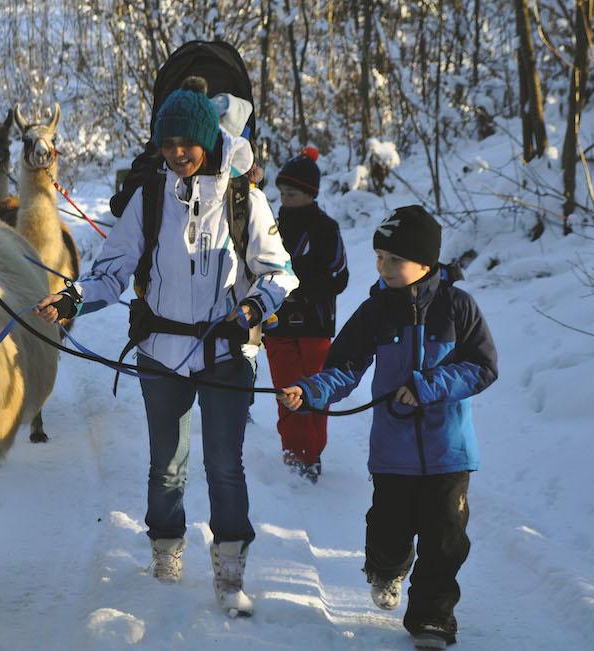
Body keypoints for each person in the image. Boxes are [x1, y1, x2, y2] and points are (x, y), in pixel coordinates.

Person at [36, 76, 298, 617]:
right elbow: (111, 273)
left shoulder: (243, 198)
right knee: (167, 465)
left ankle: (230, 567)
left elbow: (280, 273)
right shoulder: (150, 196)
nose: (177, 154)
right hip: (160, 350)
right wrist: (71, 300)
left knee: (225, 465)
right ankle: (166, 550)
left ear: (207, 140)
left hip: (227, 354)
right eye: (167, 144)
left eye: (187, 144)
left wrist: (251, 309)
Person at [277, 205, 497, 649]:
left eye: (393, 259)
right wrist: (310, 392)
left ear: (425, 262)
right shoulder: (376, 311)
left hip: (448, 452)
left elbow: (482, 368)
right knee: (388, 533)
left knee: (445, 540)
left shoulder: (458, 307)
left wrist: (430, 386)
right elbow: (343, 368)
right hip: (392, 453)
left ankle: (432, 619)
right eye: (379, 257)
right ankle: (387, 567)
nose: (383, 267)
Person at [263, 147, 348, 482]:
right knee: (286, 391)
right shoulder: (271, 226)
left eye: (292, 194)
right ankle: (297, 455)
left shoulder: (326, 228)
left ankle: (311, 453)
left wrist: (301, 290)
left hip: (315, 326)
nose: (284, 199)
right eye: (282, 193)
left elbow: (339, 277)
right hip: (277, 324)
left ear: (311, 194)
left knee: (314, 391)